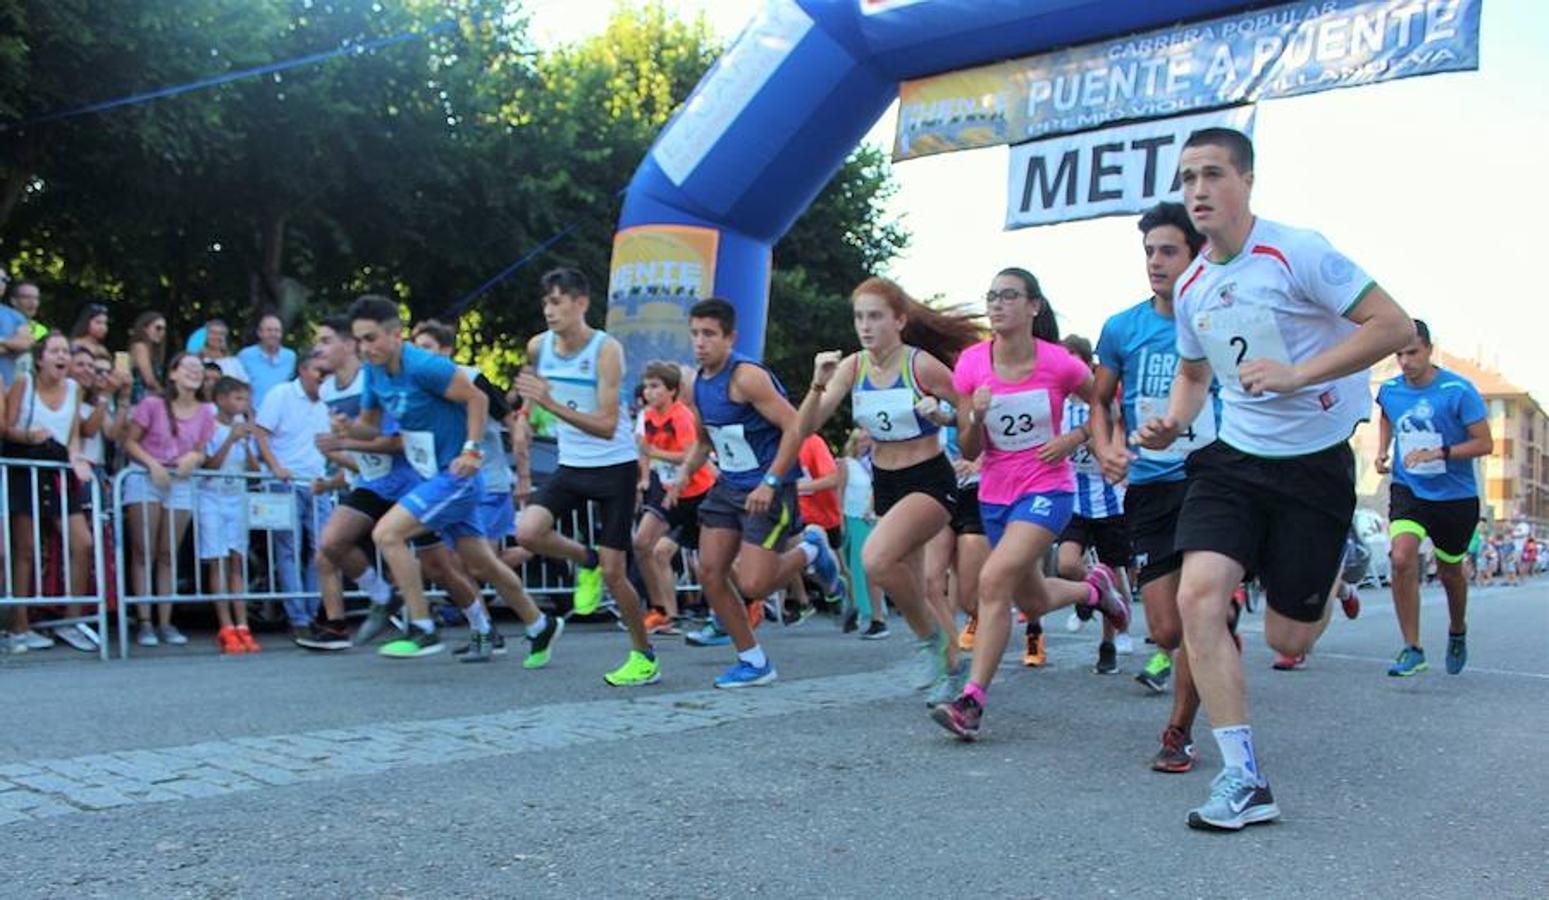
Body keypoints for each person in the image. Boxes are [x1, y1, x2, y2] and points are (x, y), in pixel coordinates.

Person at [1134, 127, 1414, 831]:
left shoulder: (1298, 252)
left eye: (1212, 175)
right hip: (1233, 459)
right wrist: (1173, 419)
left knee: (1287, 640)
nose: (1197, 190)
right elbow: (1196, 372)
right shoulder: (1194, 283)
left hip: (1314, 462)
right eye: (1188, 177)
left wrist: (1298, 373)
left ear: (1246, 181)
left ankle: (1331, 564)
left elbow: (1392, 324)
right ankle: (1242, 779)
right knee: (1199, 596)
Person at [931, 268, 1131, 740]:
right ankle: (1094, 591)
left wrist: (1076, 437)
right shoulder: (972, 365)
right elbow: (969, 450)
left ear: (1033, 307)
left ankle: (971, 702)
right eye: (992, 296)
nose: (997, 304)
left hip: (1047, 489)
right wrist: (976, 415)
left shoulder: (1060, 364)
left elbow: (1109, 402)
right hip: (995, 493)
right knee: (1032, 598)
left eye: (1009, 296)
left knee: (992, 580)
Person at [346, 295, 562, 663]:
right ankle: (539, 623)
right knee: (483, 563)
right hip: (432, 473)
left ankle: (422, 628)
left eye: (371, 338)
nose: (364, 348)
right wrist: (344, 432)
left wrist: (472, 450)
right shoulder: (373, 372)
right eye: (359, 340)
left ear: (396, 335)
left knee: (387, 533)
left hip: (457, 474)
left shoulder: (425, 366)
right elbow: (368, 426)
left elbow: (477, 398)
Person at [799, 276, 976, 703]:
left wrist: (947, 418)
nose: (865, 325)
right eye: (859, 316)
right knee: (918, 588)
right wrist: (818, 383)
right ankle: (954, 670)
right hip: (887, 484)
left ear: (899, 320)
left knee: (875, 559)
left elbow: (968, 407)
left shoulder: (921, 366)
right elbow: (805, 427)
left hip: (930, 481)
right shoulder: (852, 368)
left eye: (875, 316)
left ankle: (927, 641)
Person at [1087, 201, 1217, 773]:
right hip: (1149, 484)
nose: (1156, 262)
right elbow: (1098, 400)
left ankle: (1179, 731)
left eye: (1168, 250)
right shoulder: (1122, 328)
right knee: (1165, 627)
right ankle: (1211, 642)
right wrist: (1106, 445)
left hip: (1210, 479)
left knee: (1195, 611)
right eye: (1149, 252)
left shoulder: (1217, 318)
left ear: (1195, 254)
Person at [669, 297, 844, 688]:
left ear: (730, 337)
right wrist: (683, 473)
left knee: (754, 585)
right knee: (710, 572)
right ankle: (753, 660)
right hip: (729, 486)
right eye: (695, 334)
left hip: (769, 487)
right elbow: (704, 440)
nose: (700, 342)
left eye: (709, 334)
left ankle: (812, 548)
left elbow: (795, 427)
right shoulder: (697, 383)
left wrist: (770, 481)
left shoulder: (746, 376)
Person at [514, 269, 656, 686]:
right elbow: (532, 388)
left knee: (617, 573)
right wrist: (524, 415)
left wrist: (549, 406)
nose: (549, 310)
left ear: (581, 304)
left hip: (614, 466)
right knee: (528, 532)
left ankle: (644, 655)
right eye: (545, 303)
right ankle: (585, 561)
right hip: (571, 464)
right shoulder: (539, 346)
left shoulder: (605, 350)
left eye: (558, 302)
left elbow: (608, 425)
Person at [411, 319, 540, 662]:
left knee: (477, 564)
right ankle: (494, 630)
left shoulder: (471, 378)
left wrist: (523, 475)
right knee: (467, 562)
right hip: (452, 486)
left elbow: (515, 425)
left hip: (490, 483)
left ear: (446, 351)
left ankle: (523, 615)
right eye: (417, 349)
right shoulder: (421, 388)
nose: (422, 356)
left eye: (428, 348)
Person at [1374, 320, 1491, 677]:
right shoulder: (1391, 389)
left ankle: (1457, 630)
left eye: (1412, 353)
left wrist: (1438, 453)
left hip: (1455, 496)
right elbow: (1386, 415)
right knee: (1402, 558)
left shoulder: (1459, 390)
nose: (1405, 361)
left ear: (1428, 350)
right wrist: (1382, 451)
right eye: (1399, 354)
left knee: (1450, 571)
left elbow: (1484, 444)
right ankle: (1413, 648)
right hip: (1409, 489)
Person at [1037, 333, 1132, 673]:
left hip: (1109, 499)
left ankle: (1107, 645)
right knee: (1066, 564)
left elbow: (1114, 440)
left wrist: (1086, 440)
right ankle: (1091, 588)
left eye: (1073, 359)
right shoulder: (1054, 401)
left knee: (1113, 567)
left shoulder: (1103, 400)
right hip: (1072, 497)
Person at [3, 333, 96, 651]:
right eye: (55, 351)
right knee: (25, 549)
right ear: (40, 358)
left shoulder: (74, 388)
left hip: (57, 471)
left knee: (83, 543)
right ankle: (19, 626)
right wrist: (28, 437)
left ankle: (70, 621)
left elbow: (72, 437)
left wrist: (77, 459)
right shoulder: (24, 384)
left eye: (65, 352)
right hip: (25, 465)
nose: (62, 357)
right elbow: (6, 427)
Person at [122, 352, 215, 647]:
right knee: (143, 550)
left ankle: (166, 620)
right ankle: (145, 621)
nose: (194, 372)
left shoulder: (206, 412)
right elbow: (129, 442)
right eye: (188, 366)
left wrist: (195, 458)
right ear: (173, 373)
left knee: (167, 554)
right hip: (146, 478)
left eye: (199, 368)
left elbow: (202, 451)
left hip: (181, 483)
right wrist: (152, 464)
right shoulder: (151, 404)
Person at [252, 349, 334, 637]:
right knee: (288, 550)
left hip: (318, 483)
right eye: (318, 370)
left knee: (322, 549)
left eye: (327, 371)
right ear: (302, 369)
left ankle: (311, 612)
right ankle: (297, 616)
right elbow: (259, 431)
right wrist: (275, 466)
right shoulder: (281, 393)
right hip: (284, 483)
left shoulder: (329, 399)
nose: (324, 376)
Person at [634, 361, 713, 635]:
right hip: (669, 494)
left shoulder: (681, 416)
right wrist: (644, 475)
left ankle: (743, 604)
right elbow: (645, 451)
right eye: (646, 386)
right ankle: (666, 614)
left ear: (672, 391)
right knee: (648, 546)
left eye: (655, 386)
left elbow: (690, 455)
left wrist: (652, 453)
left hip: (698, 492)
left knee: (711, 560)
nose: (648, 392)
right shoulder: (646, 416)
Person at [200, 377, 261, 654]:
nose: (242, 405)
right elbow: (209, 466)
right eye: (238, 399)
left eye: (245, 400)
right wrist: (229, 439)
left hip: (237, 498)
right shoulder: (210, 426)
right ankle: (225, 625)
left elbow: (255, 470)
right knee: (218, 561)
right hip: (211, 497)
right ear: (222, 399)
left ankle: (242, 623)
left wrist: (247, 443)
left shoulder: (245, 430)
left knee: (237, 560)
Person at [786, 432, 844, 624]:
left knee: (839, 567)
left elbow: (834, 479)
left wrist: (797, 487)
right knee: (787, 551)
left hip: (824, 515)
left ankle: (846, 601)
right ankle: (803, 602)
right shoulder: (774, 443)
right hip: (795, 514)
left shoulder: (812, 442)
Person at [837, 428, 889, 638]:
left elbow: (876, 489)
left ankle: (869, 610)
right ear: (855, 443)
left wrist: (871, 509)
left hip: (867, 517)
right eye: (863, 440)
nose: (866, 444)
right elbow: (839, 490)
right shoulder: (846, 464)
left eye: (869, 440)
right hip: (850, 515)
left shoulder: (873, 465)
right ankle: (855, 608)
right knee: (849, 566)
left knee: (863, 565)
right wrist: (839, 516)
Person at [237, 312, 297, 408]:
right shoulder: (245, 355)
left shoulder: (290, 357)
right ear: (259, 333)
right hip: (253, 415)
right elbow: (238, 389)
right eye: (269, 330)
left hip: (282, 414)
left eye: (277, 330)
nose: (273, 334)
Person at [0, 280, 41, 386]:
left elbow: (24, 345)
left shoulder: (39, 329)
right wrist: (12, 345)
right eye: (27, 297)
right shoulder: (7, 316)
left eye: (36, 298)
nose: (32, 302)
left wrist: (2, 340)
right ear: (13, 300)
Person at [126, 311, 168, 404]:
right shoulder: (140, 347)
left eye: (164, 329)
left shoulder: (153, 351)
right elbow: (149, 380)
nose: (162, 332)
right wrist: (167, 394)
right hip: (136, 401)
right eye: (158, 328)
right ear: (145, 328)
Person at [195, 319, 251, 384]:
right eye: (213, 333)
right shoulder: (197, 360)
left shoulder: (234, 362)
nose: (217, 336)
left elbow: (246, 385)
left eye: (221, 334)